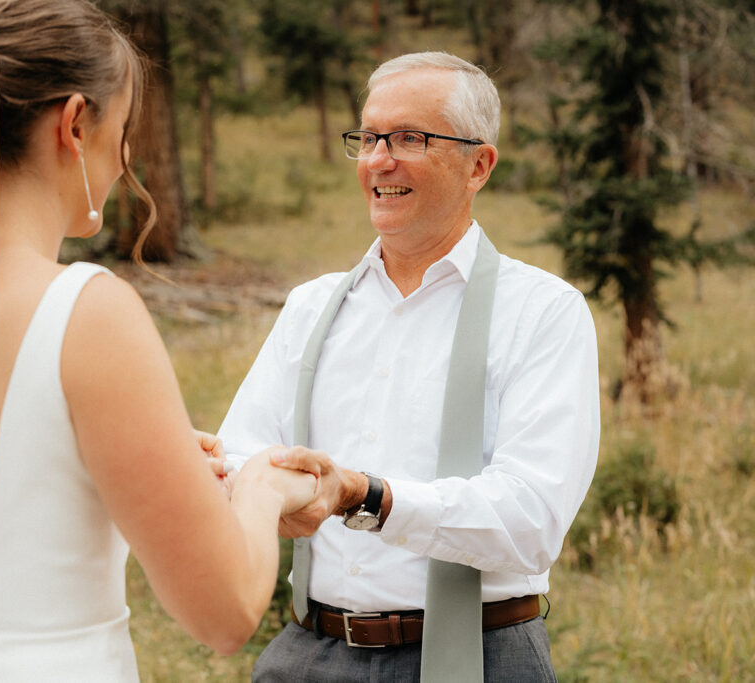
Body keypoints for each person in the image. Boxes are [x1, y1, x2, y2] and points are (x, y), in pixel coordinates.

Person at [0, 2, 317, 681]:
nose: (126, 159)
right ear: (74, 124)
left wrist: (129, 453)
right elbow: (225, 612)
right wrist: (262, 486)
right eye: (122, 130)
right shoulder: (88, 314)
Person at [218, 52, 600, 681]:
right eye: (368, 138)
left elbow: (529, 518)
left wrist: (366, 496)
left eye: (410, 139)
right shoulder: (311, 306)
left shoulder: (544, 312)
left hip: (480, 655)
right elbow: (243, 453)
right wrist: (224, 473)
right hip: (309, 650)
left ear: (479, 164)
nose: (378, 160)